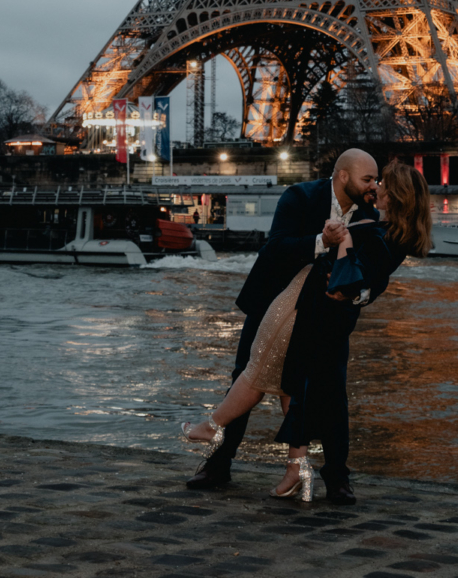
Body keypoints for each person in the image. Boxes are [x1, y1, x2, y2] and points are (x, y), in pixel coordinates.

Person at [182, 158, 432, 505]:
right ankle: (222, 462)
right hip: (276, 301)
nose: (374, 186)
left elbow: (379, 268)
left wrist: (358, 292)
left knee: (326, 390)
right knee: (250, 374)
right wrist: (321, 240)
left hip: (326, 313)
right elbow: (275, 248)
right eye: (368, 179)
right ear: (343, 175)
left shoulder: (373, 213)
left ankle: (331, 474)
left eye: (378, 180)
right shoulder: (299, 196)